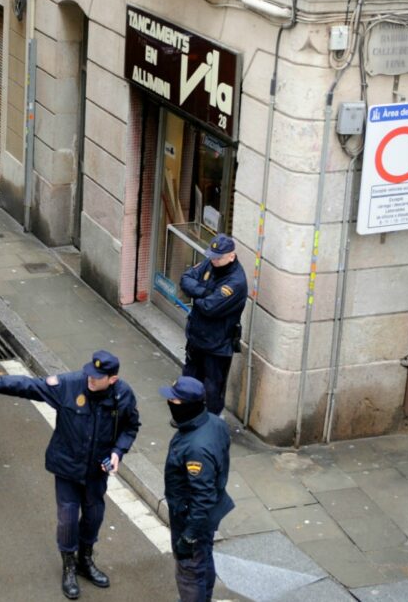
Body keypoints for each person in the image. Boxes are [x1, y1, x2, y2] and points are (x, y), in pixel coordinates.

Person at [0, 350, 140, 600]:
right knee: (68, 519)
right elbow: (33, 386)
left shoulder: (122, 395)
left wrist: (117, 452)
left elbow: (130, 426)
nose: (90, 380)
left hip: (96, 471)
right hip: (67, 467)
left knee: (94, 516)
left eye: (97, 377)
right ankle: (69, 566)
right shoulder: (70, 385)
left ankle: (85, 559)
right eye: (89, 374)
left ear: (112, 379)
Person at [161, 376, 233, 602]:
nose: (170, 404)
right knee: (204, 558)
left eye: (175, 401)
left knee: (189, 570)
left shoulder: (196, 449)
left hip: (192, 518)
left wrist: (188, 536)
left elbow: (202, 497)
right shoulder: (214, 422)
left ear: (190, 406)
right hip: (209, 513)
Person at [178, 233, 247, 416]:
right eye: (212, 256)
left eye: (219, 257)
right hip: (197, 338)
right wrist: (205, 291)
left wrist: (197, 296)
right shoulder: (210, 263)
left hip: (217, 345)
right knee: (189, 379)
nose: (214, 260)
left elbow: (210, 307)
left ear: (231, 256)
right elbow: (185, 279)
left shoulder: (235, 282)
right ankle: (186, 415)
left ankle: (210, 423)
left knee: (212, 389)